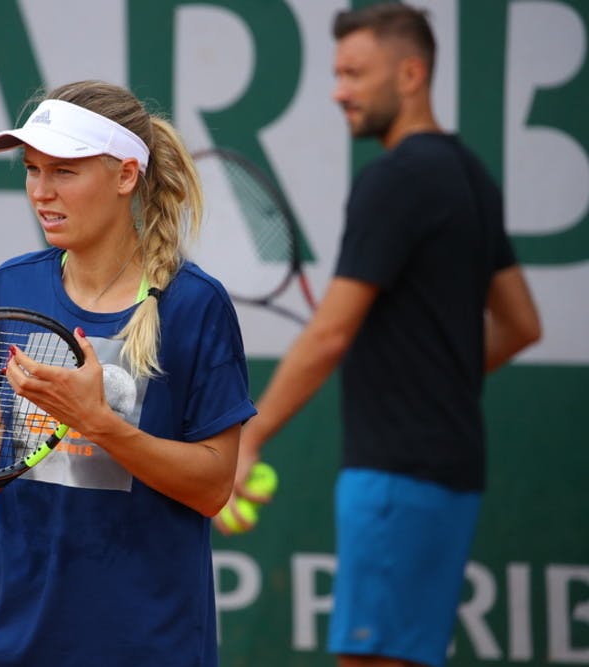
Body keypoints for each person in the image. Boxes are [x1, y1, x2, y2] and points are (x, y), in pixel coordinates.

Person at [215, 4, 542, 667]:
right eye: (337, 74)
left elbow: (331, 333)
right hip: (450, 468)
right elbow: (519, 324)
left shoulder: (394, 179)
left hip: (395, 473)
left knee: (371, 662)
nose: (339, 90)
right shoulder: (471, 176)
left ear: (412, 73)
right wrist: (437, 373)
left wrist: (252, 432)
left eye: (356, 73)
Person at [0, 79, 256, 666]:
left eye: (65, 171)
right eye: (33, 170)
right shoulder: (14, 286)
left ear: (124, 176)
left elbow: (214, 486)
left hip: (138, 641)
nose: (41, 191)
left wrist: (100, 424)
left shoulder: (194, 306)